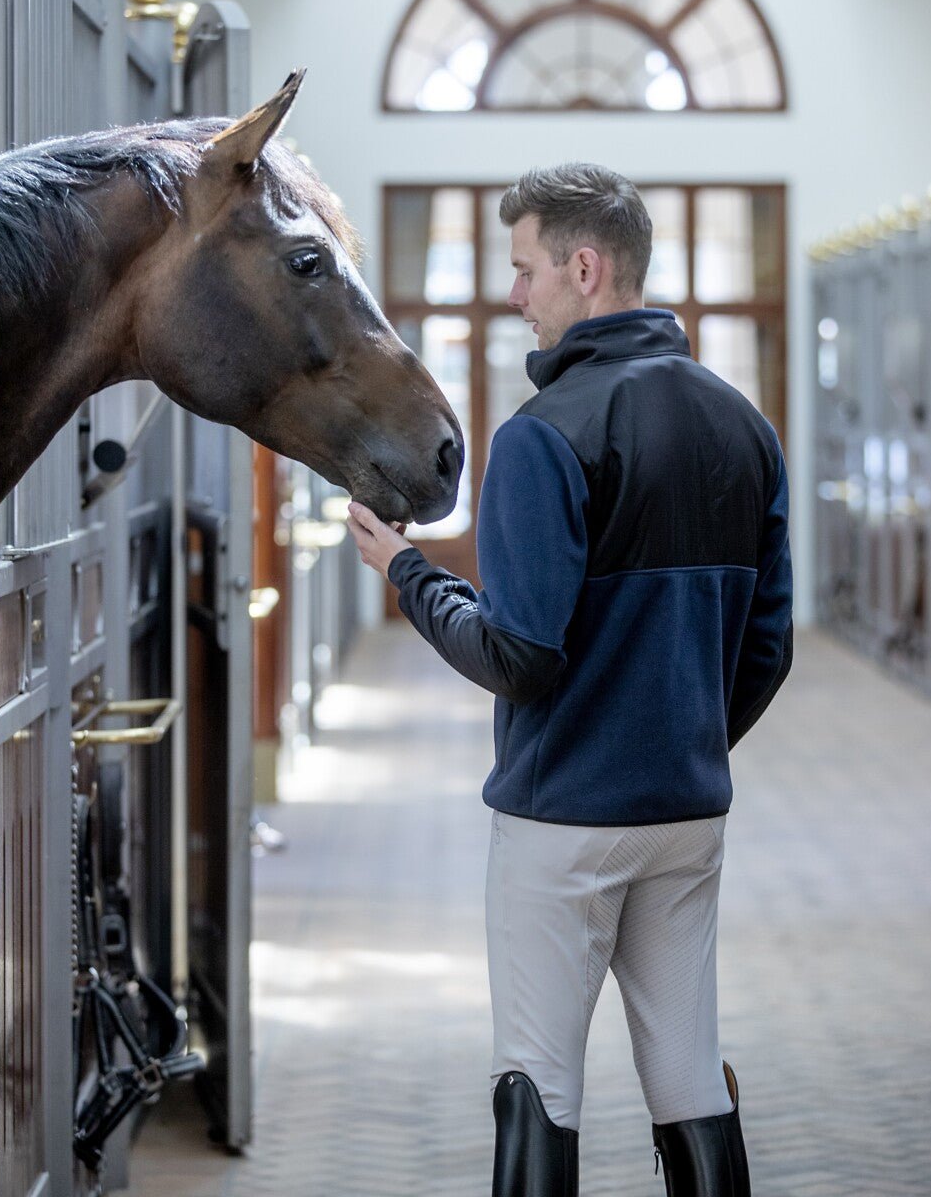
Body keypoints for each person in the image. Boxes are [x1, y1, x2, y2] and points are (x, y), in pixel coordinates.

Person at [348, 163, 793, 1197]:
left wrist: (407, 574)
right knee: (688, 1072)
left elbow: (519, 655)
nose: (514, 293)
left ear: (582, 268)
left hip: (562, 824)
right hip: (686, 808)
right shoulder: (744, 427)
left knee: (537, 1081)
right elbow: (765, 647)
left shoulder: (542, 437)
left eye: (522, 268)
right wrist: (676, 738)